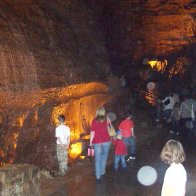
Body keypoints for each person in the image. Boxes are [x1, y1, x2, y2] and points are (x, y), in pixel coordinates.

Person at [89, 107, 111, 182]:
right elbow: (109, 130)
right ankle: (102, 171)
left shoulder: (94, 121)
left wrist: (90, 143)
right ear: (103, 112)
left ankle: (98, 176)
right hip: (106, 141)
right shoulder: (107, 119)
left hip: (97, 142)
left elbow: (92, 132)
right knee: (104, 157)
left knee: (98, 159)